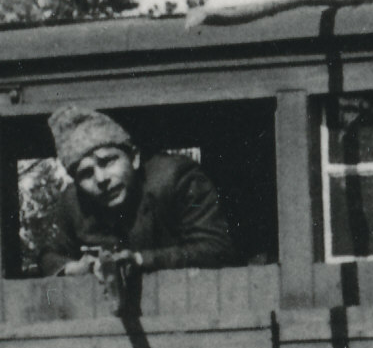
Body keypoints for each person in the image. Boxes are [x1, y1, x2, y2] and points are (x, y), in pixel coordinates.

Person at [31, 107, 236, 282]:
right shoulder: (73, 202)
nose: (101, 179)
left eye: (108, 161)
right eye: (86, 173)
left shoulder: (177, 179)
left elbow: (216, 248)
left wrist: (140, 260)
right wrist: (72, 268)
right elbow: (48, 255)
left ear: (134, 158)